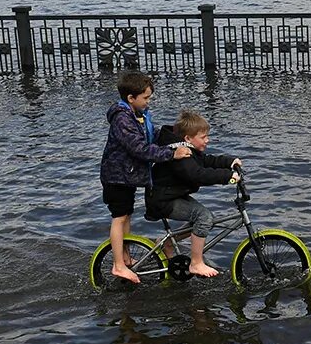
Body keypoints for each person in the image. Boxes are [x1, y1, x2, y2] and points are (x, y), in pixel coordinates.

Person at [100, 71, 191, 284]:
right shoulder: (122, 119)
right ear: (131, 98)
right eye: (146, 98)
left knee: (127, 216)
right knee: (119, 217)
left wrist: (178, 140)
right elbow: (140, 149)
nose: (148, 101)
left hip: (127, 177)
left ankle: (125, 255)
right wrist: (171, 154)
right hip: (116, 177)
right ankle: (118, 265)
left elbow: (153, 135)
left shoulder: (138, 114)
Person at [149, 110, 242, 278]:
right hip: (163, 200)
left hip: (172, 194)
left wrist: (229, 162)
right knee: (204, 217)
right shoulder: (180, 154)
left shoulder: (188, 149)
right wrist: (228, 177)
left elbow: (206, 161)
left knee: (208, 219)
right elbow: (197, 174)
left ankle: (167, 243)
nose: (208, 140)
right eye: (204, 137)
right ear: (188, 139)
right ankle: (196, 263)